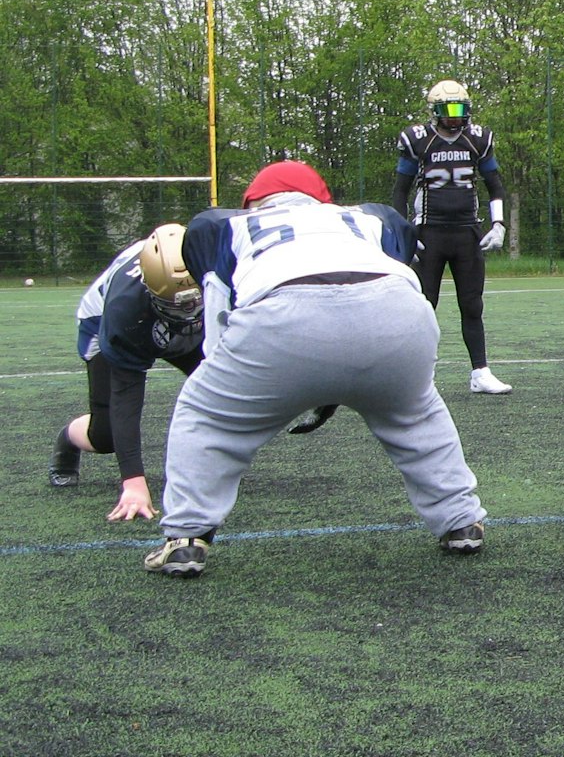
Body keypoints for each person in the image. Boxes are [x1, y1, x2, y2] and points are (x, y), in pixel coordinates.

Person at [144, 160, 488, 577]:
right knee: (416, 414)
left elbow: (219, 312)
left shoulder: (224, 225)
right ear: (323, 201)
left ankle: (186, 537)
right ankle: (460, 520)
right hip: (398, 311)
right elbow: (377, 278)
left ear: (252, 202)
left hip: (285, 312)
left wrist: (242, 384)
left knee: (206, 415)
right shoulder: (366, 217)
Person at [49, 224, 205, 520]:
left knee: (223, 387)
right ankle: (68, 438)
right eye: (177, 305)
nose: (187, 313)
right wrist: (133, 483)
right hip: (103, 320)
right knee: (105, 434)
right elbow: (126, 396)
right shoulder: (125, 311)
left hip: (163, 307)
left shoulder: (217, 265)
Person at [392, 78, 513, 395]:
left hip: (467, 233)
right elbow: (400, 190)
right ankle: (419, 376)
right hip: (429, 232)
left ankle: (480, 372)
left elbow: (495, 185)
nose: (455, 117)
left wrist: (499, 224)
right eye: (448, 110)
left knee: (472, 305)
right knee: (424, 307)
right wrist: (405, 232)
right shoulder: (418, 140)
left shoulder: (477, 139)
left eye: (460, 109)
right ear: (435, 111)